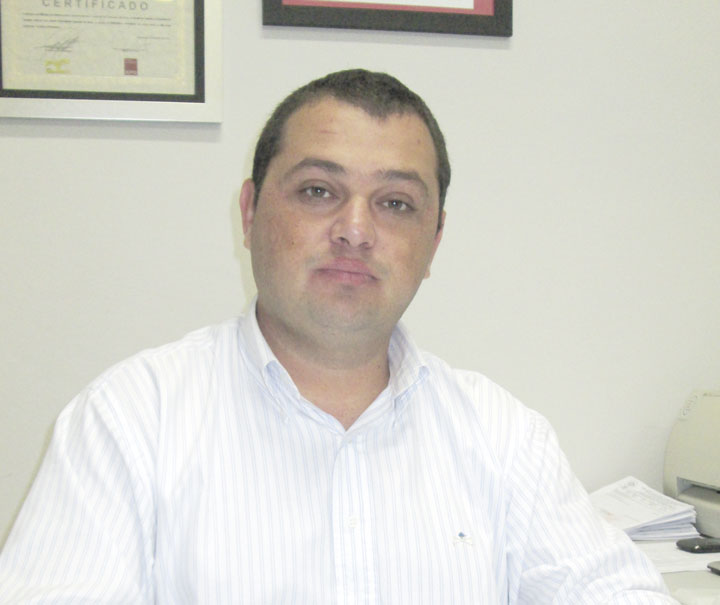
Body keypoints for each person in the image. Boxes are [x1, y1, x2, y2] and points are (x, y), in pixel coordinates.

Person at [0, 69, 676, 603]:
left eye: (395, 203)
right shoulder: (127, 422)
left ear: (434, 241)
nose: (356, 229)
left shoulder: (505, 439)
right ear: (249, 213)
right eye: (319, 191)